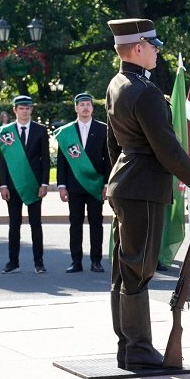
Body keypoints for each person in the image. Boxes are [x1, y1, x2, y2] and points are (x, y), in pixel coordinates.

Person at [104, 18, 190, 370]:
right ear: (137, 47)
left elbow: (114, 143)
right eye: (153, 45)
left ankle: (128, 346)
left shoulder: (117, 84)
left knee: (125, 268)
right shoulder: (145, 92)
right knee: (139, 269)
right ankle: (138, 349)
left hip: (125, 184)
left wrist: (116, 179)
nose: (156, 51)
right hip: (144, 188)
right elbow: (166, 148)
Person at [55, 92, 112, 273]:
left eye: (88, 104)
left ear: (93, 108)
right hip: (74, 186)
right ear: (76, 108)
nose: (85, 108)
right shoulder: (66, 133)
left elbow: (108, 159)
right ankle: (76, 261)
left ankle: (96, 261)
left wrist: (106, 184)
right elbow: (62, 161)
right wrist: (62, 186)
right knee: (75, 223)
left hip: (95, 185)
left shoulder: (103, 129)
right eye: (81, 105)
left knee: (96, 223)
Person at [0, 95, 50, 274]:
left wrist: (44, 183)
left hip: (34, 184)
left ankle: (39, 262)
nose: (25, 111)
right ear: (15, 110)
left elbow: (45, 160)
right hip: (12, 186)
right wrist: (2, 185)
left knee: (36, 224)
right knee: (14, 224)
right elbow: (3, 161)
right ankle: (13, 262)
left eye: (28, 108)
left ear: (31, 110)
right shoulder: (6, 131)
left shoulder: (40, 130)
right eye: (21, 108)